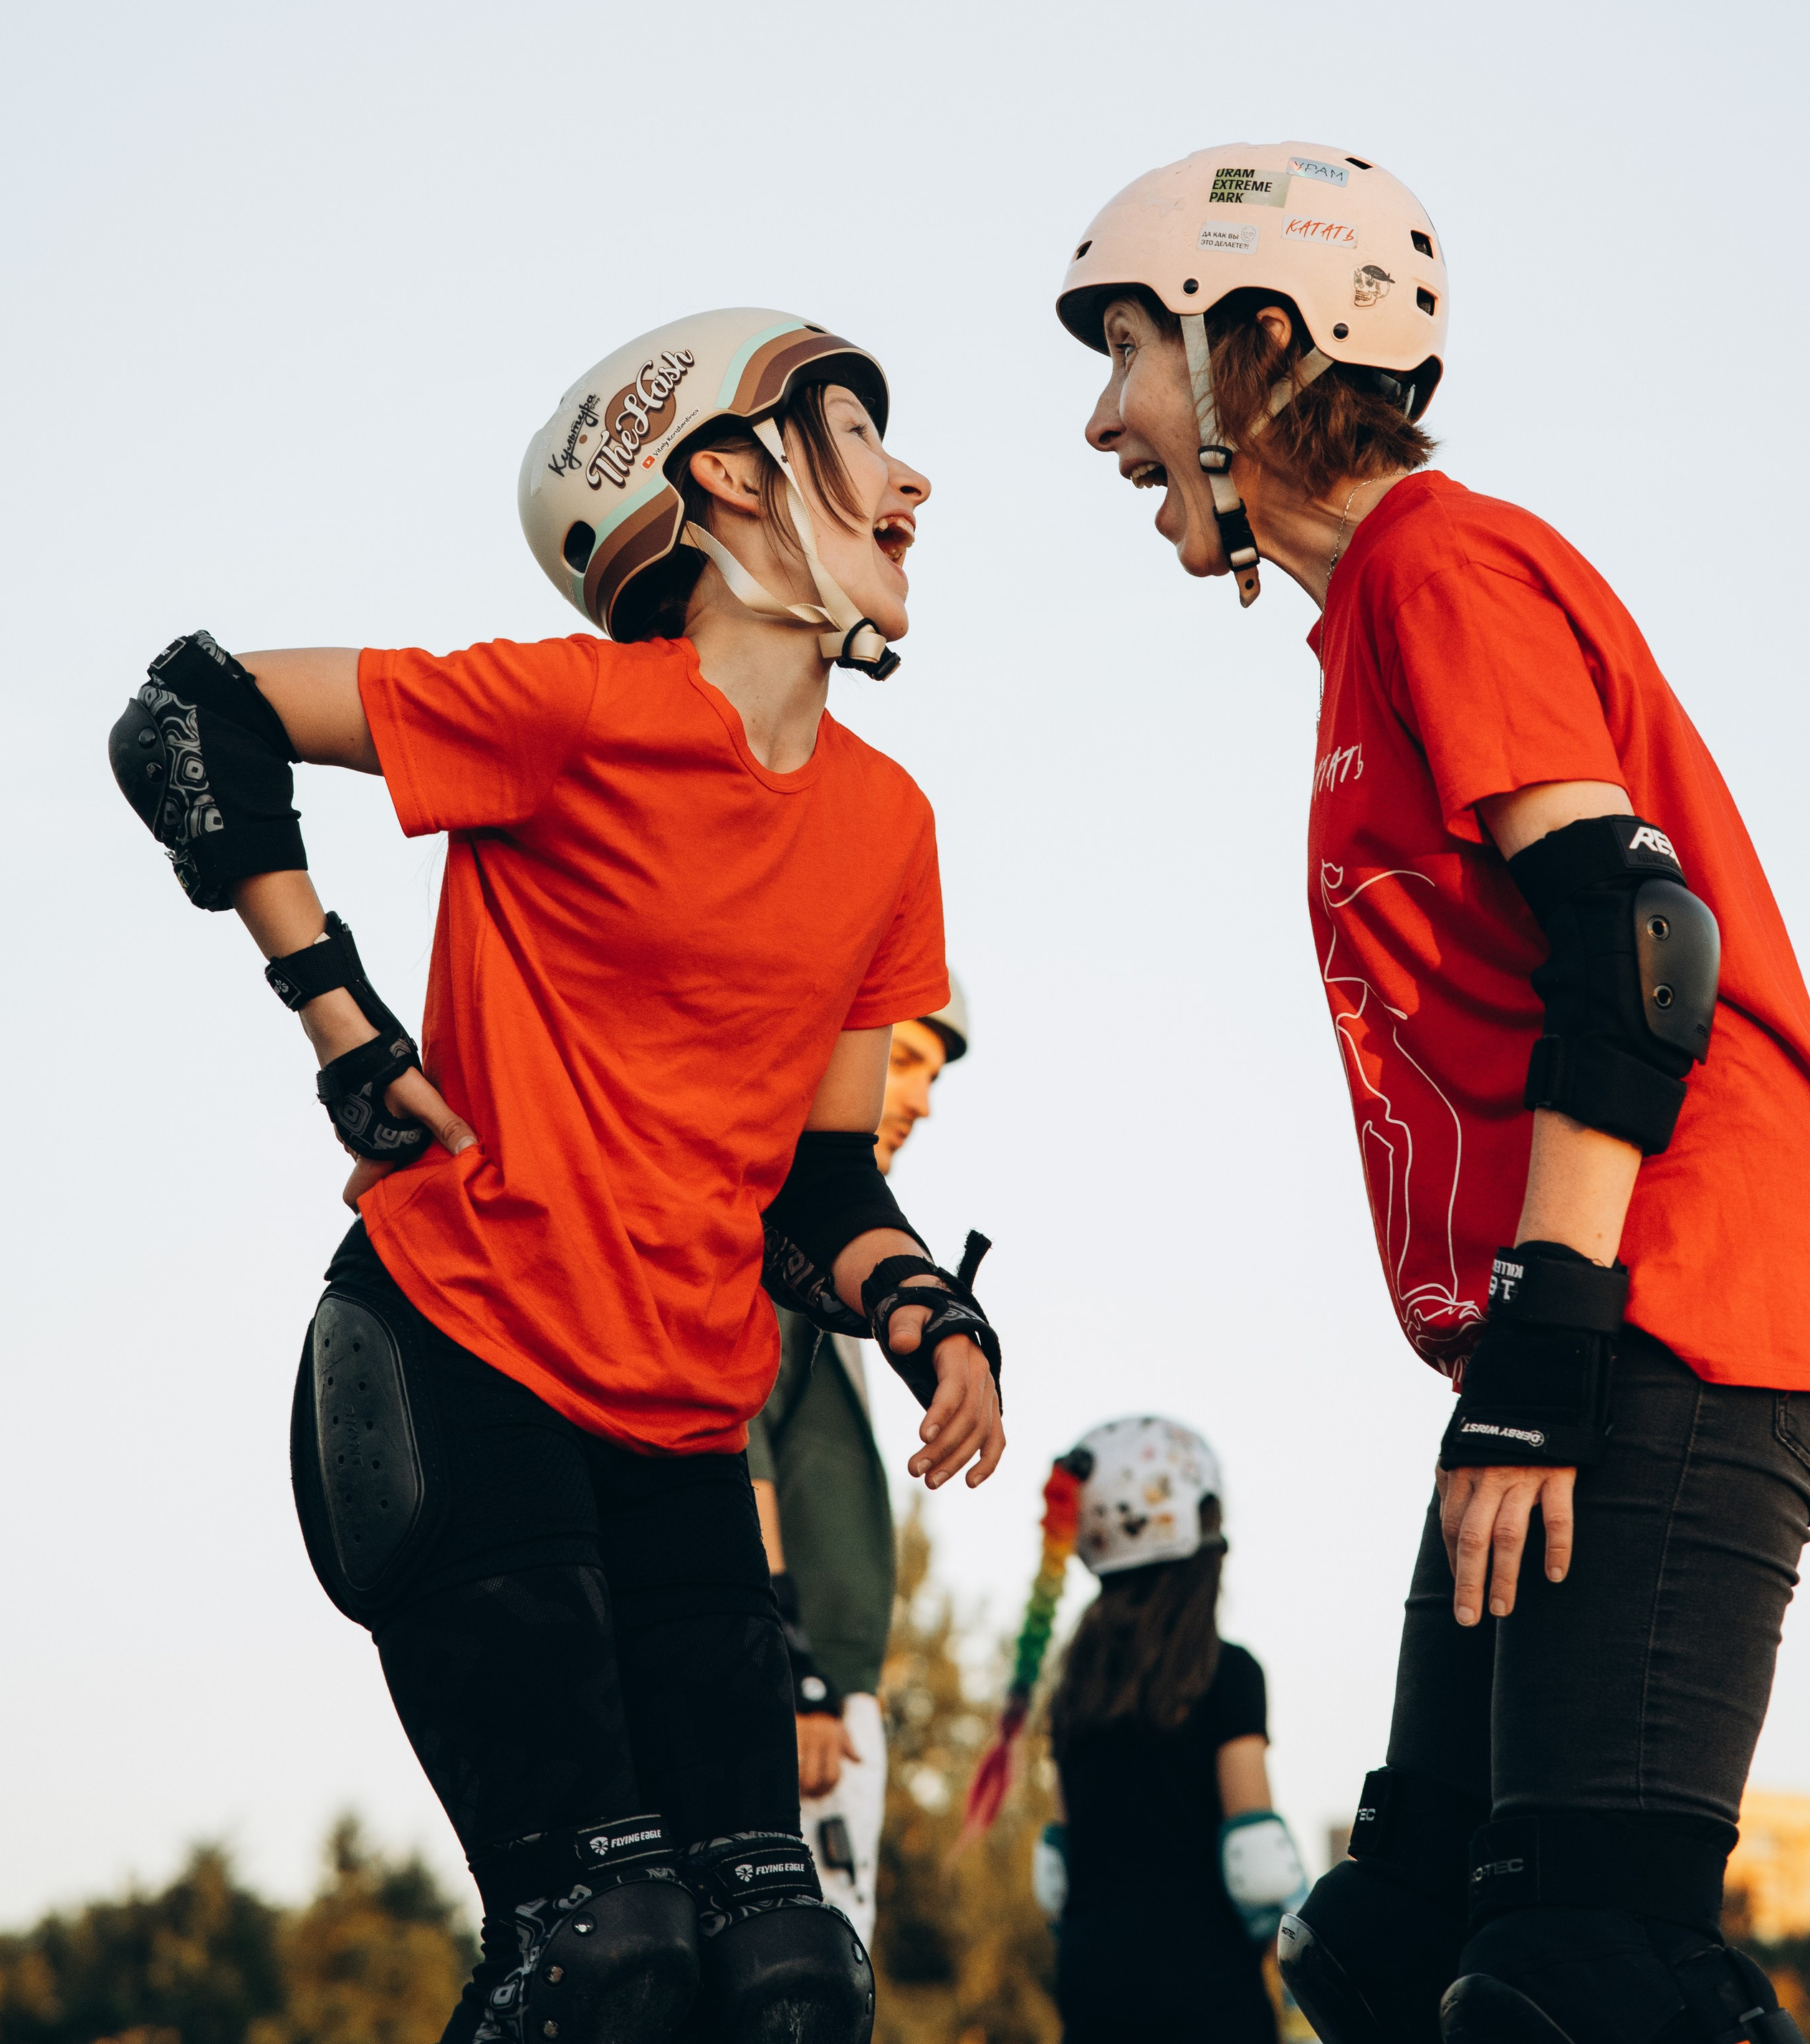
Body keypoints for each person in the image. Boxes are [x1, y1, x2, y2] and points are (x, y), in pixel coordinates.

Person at [107, 306, 1005, 2044]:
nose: (912, 478)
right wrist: (344, 1017)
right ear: (732, 477)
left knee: (785, 1976)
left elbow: (821, 1189)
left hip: (675, 1426)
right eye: (855, 434)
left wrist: (927, 1311)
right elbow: (189, 714)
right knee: (602, 1951)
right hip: (458, 1360)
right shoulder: (576, 708)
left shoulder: (886, 824)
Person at [1056, 148, 1810, 2044]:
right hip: (1571, 1318)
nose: (1099, 422)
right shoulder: (1366, 620)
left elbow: (1635, 946)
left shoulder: (1444, 564)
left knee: (1581, 1975)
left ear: (1259, 343)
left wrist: (1549, 1350)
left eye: (1127, 351)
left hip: (1673, 1295)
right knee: (1382, 1948)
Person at [747, 978, 972, 1944]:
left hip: (831, 1707)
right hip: (799, 1710)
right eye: (907, 1061)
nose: (921, 1099)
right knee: (793, 1985)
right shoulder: (773, 1240)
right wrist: (792, 1674)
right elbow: (736, 1453)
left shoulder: (841, 1270)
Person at [964, 1418, 1305, 2044]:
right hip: (1208, 1989)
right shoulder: (1226, 1672)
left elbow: (1060, 1869)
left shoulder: (1075, 1683)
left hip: (1093, 1985)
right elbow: (1258, 1864)